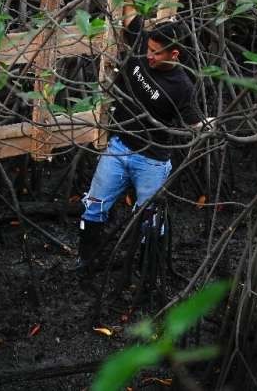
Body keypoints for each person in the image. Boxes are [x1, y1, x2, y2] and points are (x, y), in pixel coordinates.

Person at [77, 14, 206, 276]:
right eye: (148, 50)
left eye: (157, 54)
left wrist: (211, 126)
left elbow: (194, 124)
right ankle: (87, 264)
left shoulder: (182, 86)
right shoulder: (142, 41)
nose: (149, 56)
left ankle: (148, 273)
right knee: (93, 206)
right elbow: (126, 10)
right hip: (119, 147)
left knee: (151, 220)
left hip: (152, 160)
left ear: (175, 54)